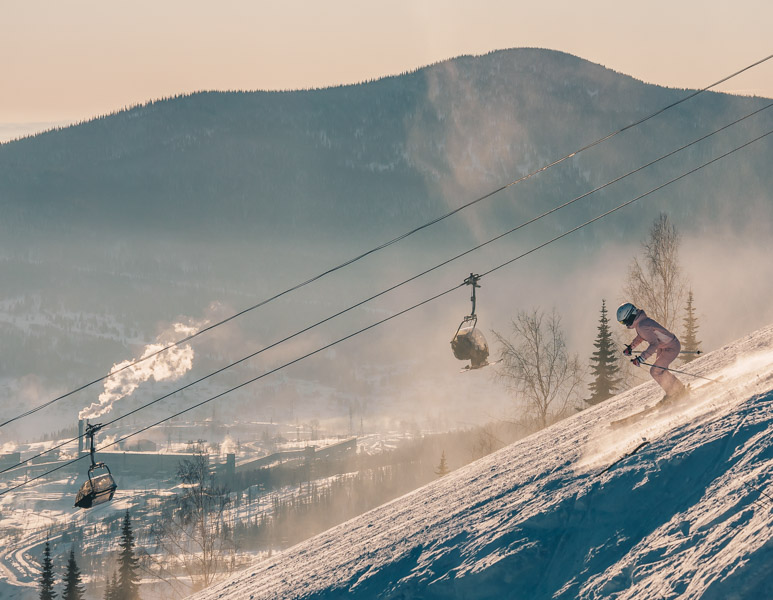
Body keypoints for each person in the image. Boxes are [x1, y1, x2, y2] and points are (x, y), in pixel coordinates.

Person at [616, 302, 686, 400]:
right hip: (665, 346)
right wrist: (631, 347)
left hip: (671, 347)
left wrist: (641, 358)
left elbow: (654, 344)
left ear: (629, 316)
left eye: (624, 322)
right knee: (660, 370)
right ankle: (678, 390)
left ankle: (676, 393)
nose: (625, 325)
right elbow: (641, 336)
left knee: (655, 371)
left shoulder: (641, 326)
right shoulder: (641, 323)